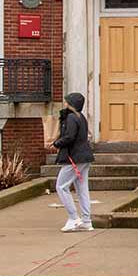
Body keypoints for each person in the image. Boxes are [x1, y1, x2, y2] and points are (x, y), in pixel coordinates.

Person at [49, 91, 95, 232]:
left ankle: (74, 218)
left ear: (71, 104)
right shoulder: (81, 118)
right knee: (82, 189)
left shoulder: (71, 118)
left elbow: (69, 137)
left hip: (74, 158)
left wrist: (55, 144)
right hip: (84, 157)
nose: (65, 103)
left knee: (61, 186)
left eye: (66, 101)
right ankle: (86, 221)